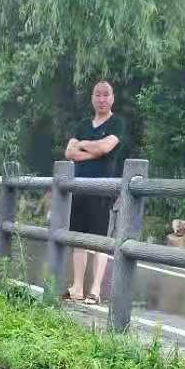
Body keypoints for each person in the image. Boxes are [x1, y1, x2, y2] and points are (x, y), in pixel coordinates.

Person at [65, 81, 125, 305]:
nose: (101, 99)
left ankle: (94, 291)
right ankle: (77, 288)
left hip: (102, 189)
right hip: (79, 187)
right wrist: (94, 149)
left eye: (105, 95)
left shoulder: (117, 123)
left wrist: (85, 146)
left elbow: (106, 148)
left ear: (112, 98)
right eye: (97, 95)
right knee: (78, 239)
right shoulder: (82, 125)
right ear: (92, 98)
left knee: (99, 239)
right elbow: (70, 152)